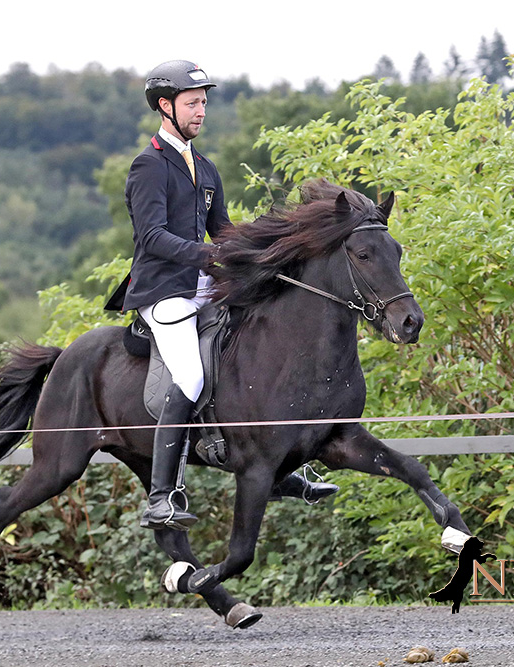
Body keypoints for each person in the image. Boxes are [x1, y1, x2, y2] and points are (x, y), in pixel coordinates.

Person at [120, 60, 336, 531]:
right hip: (164, 292)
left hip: (202, 286)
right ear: (165, 106)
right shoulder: (148, 166)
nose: (201, 111)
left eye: (203, 103)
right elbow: (152, 236)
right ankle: (161, 498)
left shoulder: (206, 167)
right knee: (192, 380)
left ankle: (279, 472)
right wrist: (205, 256)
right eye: (192, 103)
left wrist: (258, 253)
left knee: (259, 346)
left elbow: (222, 230)